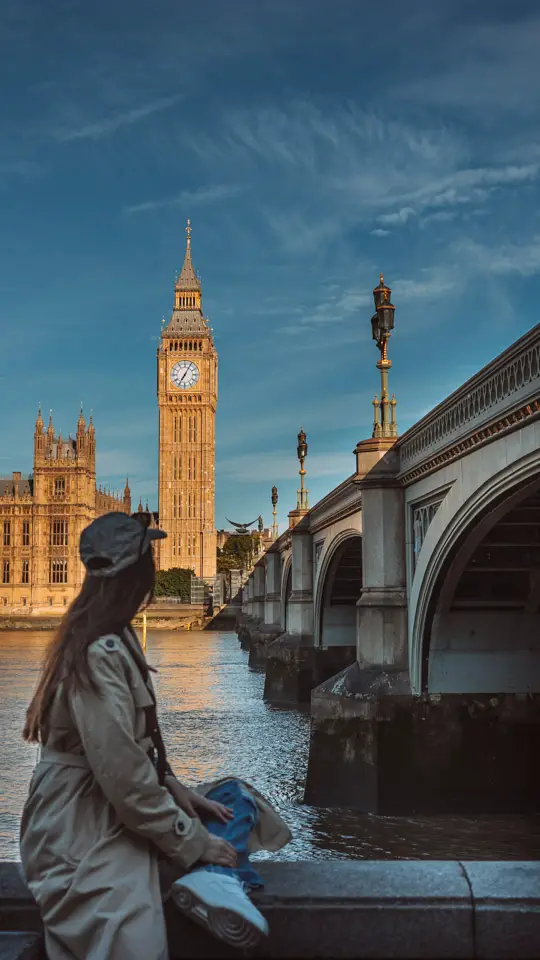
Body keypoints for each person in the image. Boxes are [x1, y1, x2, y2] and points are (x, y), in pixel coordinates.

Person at [20, 512, 291, 960]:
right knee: (138, 944)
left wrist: (178, 790)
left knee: (234, 800)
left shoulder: (114, 636)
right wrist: (194, 840)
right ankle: (219, 879)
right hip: (83, 825)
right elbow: (123, 778)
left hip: (113, 803)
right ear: (137, 573)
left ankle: (217, 881)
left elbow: (130, 762)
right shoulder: (99, 652)